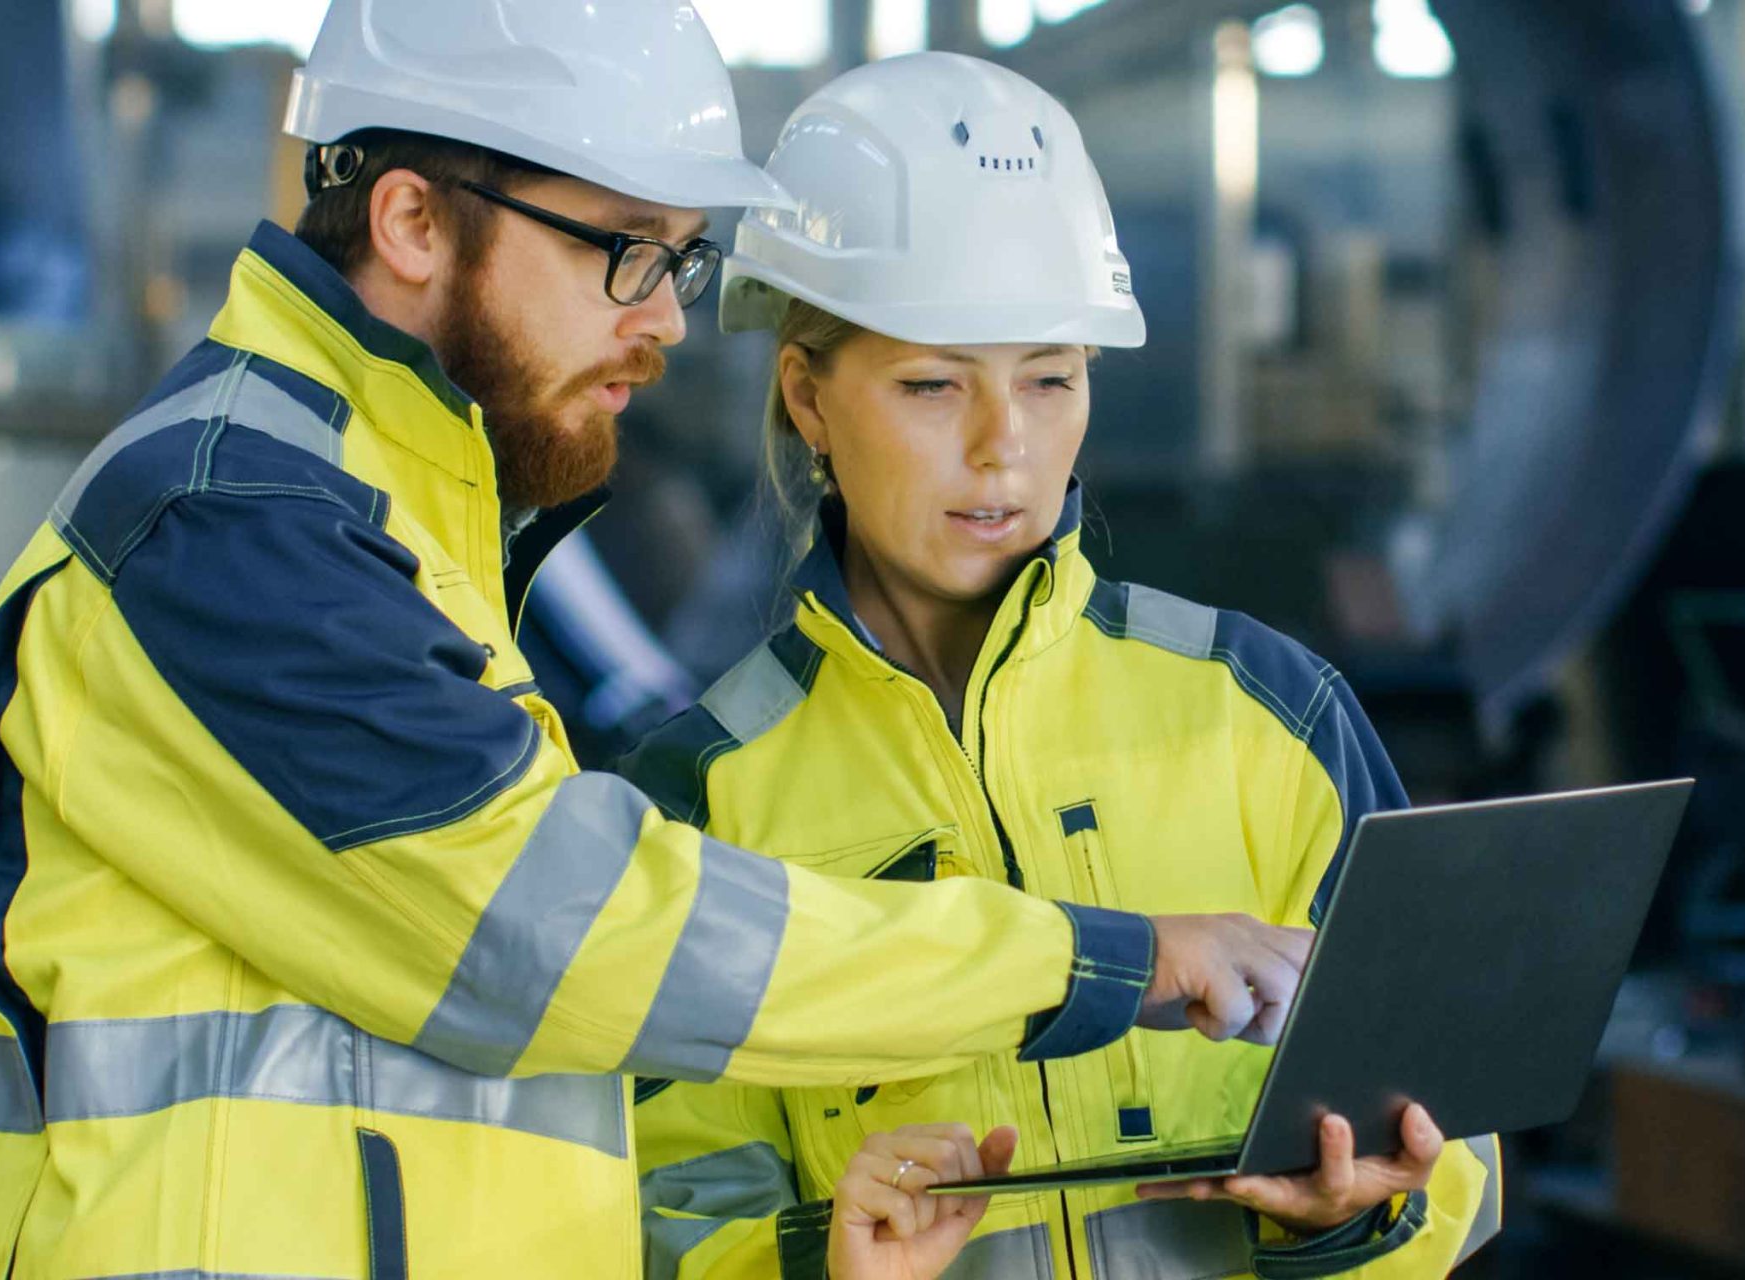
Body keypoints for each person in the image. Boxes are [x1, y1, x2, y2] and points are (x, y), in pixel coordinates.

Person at [0, 5, 1315, 1277]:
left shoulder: (403, 521)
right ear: (414, 220)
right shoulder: (227, 520)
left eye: (679, 258)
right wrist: (1087, 964)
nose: (664, 318)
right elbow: (554, 935)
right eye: (624, 251)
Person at [623, 54, 1504, 1280]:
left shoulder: (1269, 708)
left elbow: (1453, 1141)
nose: (1004, 447)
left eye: (1050, 377)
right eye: (934, 385)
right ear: (808, 400)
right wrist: (813, 1256)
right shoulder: (703, 798)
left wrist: (1360, 1212)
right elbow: (651, 1214)